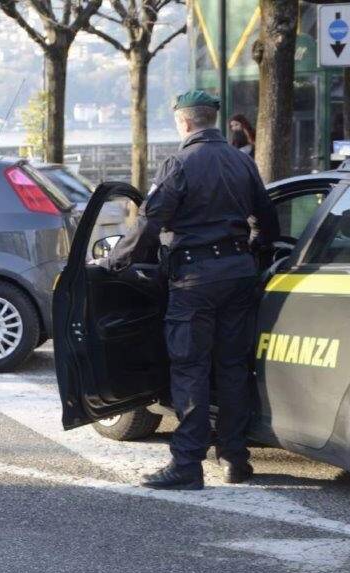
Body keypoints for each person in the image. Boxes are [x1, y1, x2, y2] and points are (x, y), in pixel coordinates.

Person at [103, 90, 279, 490]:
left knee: (190, 369)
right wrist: (253, 252)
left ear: (183, 122)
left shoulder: (178, 163)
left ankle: (187, 464)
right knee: (233, 368)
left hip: (194, 279)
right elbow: (267, 220)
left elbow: (150, 224)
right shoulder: (241, 161)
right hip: (239, 274)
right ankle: (235, 459)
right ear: (212, 120)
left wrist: (114, 262)